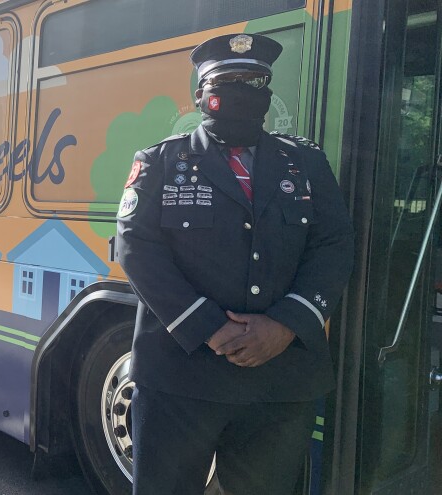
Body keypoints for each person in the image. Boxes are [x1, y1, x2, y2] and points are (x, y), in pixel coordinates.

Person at [116, 33, 354, 494]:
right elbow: (135, 246)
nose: (242, 92)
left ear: (267, 94)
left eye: (254, 82)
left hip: (279, 382)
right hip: (180, 379)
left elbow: (334, 243)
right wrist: (208, 326)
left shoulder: (305, 163)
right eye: (227, 82)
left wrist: (285, 324)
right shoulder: (162, 162)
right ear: (200, 95)